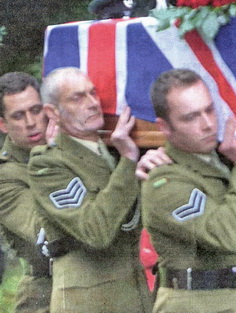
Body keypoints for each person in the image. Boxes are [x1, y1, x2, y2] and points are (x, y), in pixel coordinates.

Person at [141, 69, 236, 312]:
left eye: (210, 110)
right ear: (165, 127)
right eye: (191, 117)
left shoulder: (223, 160)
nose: (208, 124)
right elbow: (228, 235)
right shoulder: (164, 182)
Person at [28, 67, 153, 312]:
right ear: (53, 112)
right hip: (89, 300)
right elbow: (95, 231)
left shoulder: (115, 147)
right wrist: (128, 160)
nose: (93, 103)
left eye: (93, 93)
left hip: (136, 295)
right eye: (77, 98)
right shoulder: (47, 164)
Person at [0, 72, 52, 312]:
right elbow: (45, 231)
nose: (31, 122)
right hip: (45, 293)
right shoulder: (6, 175)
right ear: (3, 124)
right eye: (18, 115)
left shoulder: (74, 150)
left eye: (36, 109)